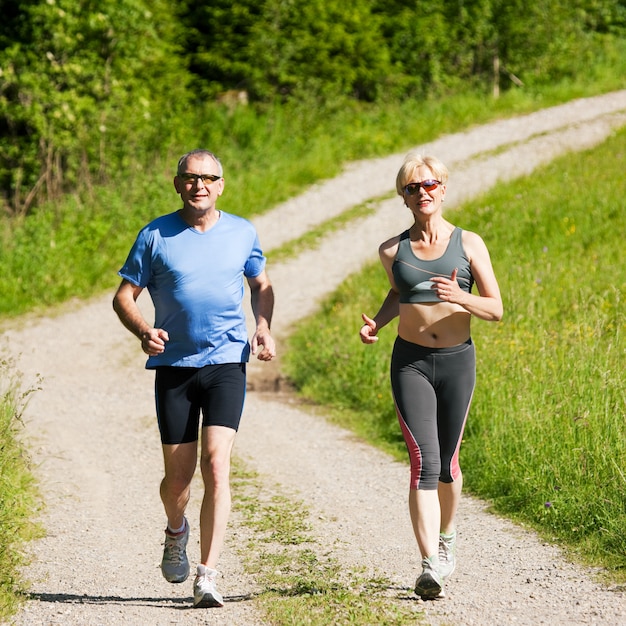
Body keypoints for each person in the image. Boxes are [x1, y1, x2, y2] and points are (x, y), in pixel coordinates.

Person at [112, 149, 276, 608]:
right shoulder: (155, 235)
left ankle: (207, 575)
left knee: (217, 465)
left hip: (227, 362)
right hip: (174, 368)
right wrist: (144, 330)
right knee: (178, 483)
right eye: (190, 177)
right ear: (178, 184)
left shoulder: (242, 232)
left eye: (208, 178)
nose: (199, 185)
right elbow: (124, 296)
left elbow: (261, 285)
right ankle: (175, 530)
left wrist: (262, 325)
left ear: (221, 184)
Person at [359, 153, 502, 599]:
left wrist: (461, 298)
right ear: (403, 197)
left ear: (444, 188)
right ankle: (429, 566)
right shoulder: (390, 250)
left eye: (430, 185)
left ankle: (447, 535)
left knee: (449, 466)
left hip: (458, 361)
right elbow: (398, 291)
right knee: (425, 461)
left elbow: (495, 309)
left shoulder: (470, 243)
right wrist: (376, 324)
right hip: (411, 361)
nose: (423, 193)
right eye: (412, 188)